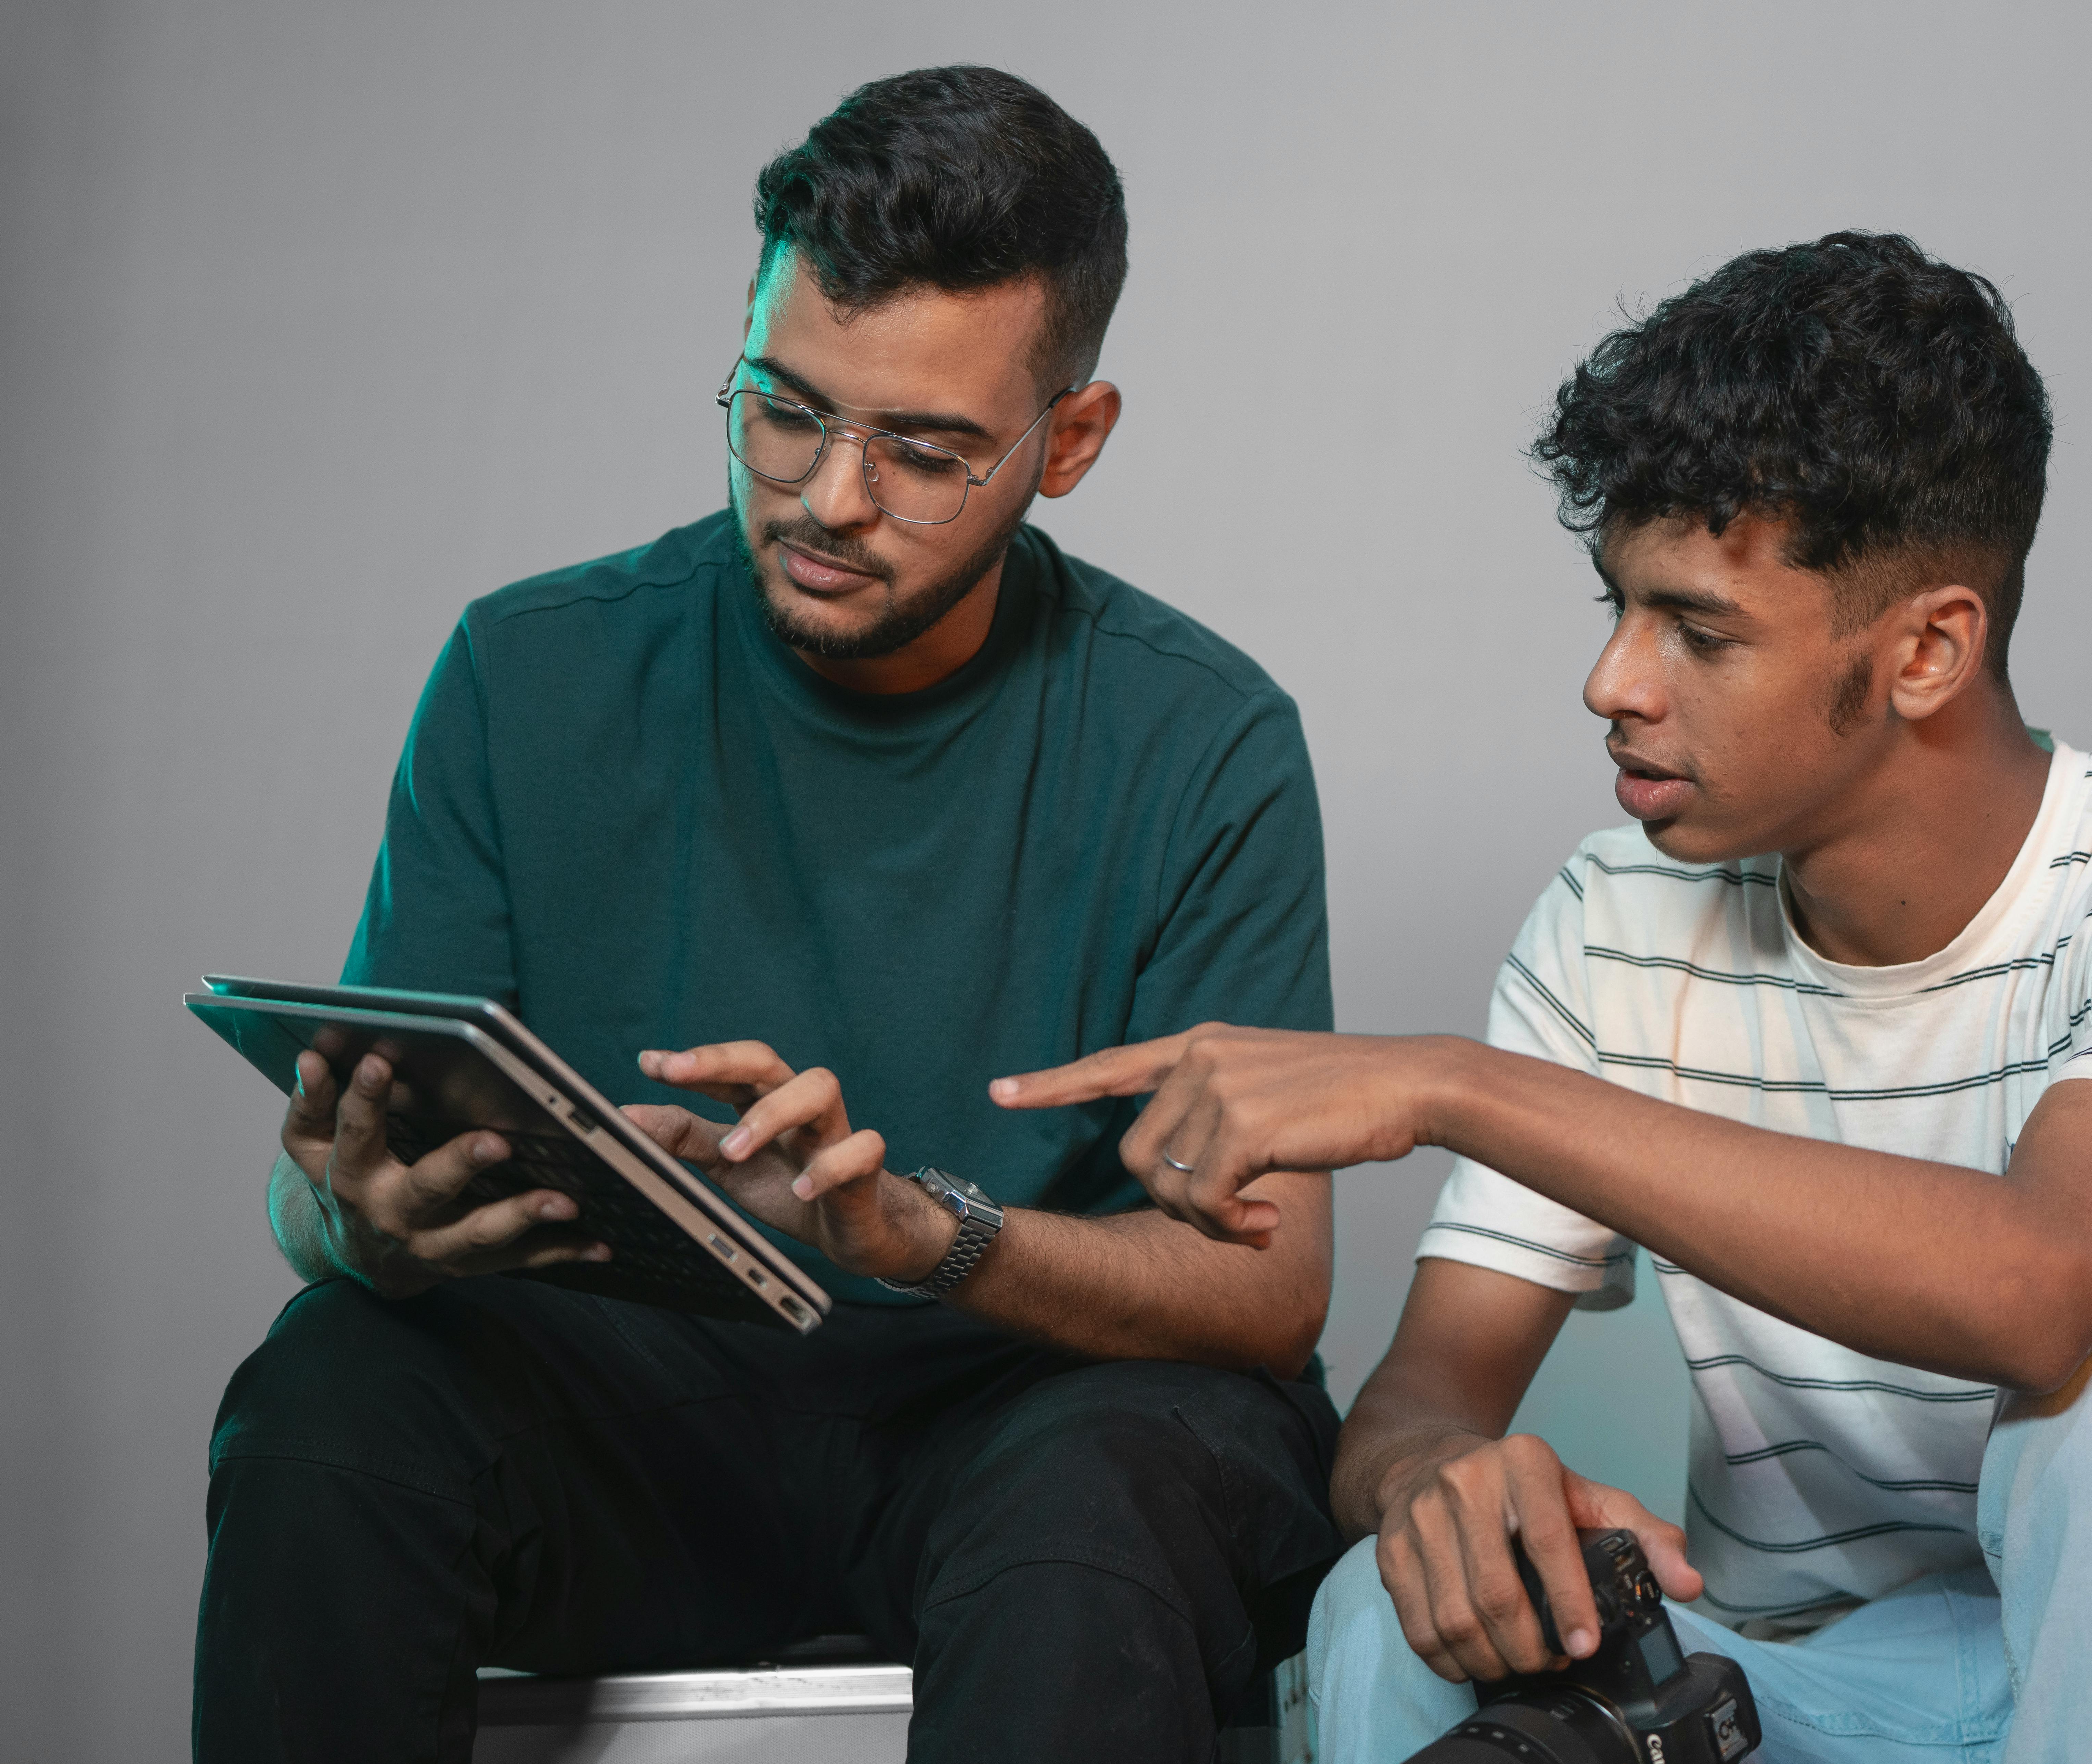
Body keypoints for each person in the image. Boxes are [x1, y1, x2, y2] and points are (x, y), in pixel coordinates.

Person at [1000, 233, 2092, 1762]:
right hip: (1820, 1688)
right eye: (1617, 607)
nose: (1613, 681)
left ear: (1925, 649)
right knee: (1398, 1593)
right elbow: (1413, 1402)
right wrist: (1445, 1480)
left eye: (1697, 631)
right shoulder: (1615, 919)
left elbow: (2035, 1288)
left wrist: (1455, 1082)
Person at [194, 66, 1345, 1764]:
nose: (827, 497)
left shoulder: (1204, 735)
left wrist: (915, 1235)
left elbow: (1267, 1298)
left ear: (1069, 442)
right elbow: (336, 1185)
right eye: (785, 407)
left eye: (927, 449)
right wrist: (356, 1224)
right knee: (328, 1389)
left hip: (1021, 1413)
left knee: (1102, 1498)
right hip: (637, 1420)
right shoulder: (529, 668)